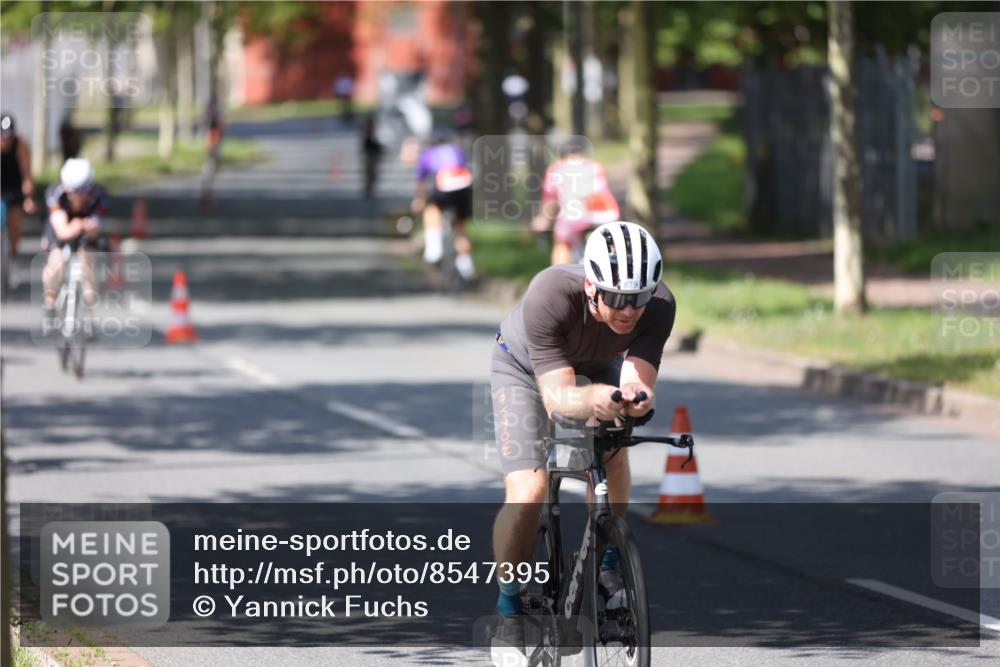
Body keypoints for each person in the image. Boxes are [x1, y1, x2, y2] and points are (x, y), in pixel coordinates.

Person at [488, 221, 675, 665]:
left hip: (596, 364)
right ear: (591, 286)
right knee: (529, 491)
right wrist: (591, 399)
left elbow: (637, 380)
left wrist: (634, 399)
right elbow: (558, 401)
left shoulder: (660, 305)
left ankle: (610, 564)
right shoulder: (550, 293)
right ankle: (509, 607)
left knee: (614, 452)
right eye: (615, 298)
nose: (629, 311)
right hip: (524, 369)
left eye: (639, 299)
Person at [41, 158, 108, 332]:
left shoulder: (99, 194)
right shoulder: (55, 193)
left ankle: (88, 315)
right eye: (74, 192)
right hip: (62, 227)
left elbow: (95, 228)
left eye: (83, 191)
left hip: (84, 231)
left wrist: (88, 227)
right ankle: (50, 303)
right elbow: (62, 230)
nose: (78, 196)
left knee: (88, 264)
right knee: (56, 263)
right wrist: (78, 225)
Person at [531, 138, 620, 266]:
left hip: (574, 219)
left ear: (563, 155)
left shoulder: (556, 169)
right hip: (606, 217)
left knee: (562, 244)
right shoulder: (596, 166)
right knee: (610, 251)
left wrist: (543, 220)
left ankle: (559, 276)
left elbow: (550, 203)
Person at [412, 131, 476, 281]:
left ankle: (433, 248)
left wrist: (419, 200)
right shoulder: (457, 150)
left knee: (431, 208)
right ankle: (466, 262)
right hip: (464, 185)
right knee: (460, 226)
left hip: (444, 184)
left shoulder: (427, 154)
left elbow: (421, 183)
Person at [1, 112, 38, 255]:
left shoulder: (21, 145)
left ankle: (12, 254)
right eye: (3, 136)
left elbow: (27, 175)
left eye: (9, 136)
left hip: (14, 189)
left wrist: (29, 198)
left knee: (16, 225)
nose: (6, 140)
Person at [201, 96, 224, 212]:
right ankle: (207, 198)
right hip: (212, 147)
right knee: (209, 173)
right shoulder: (212, 118)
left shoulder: (210, 116)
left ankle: (207, 197)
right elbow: (214, 134)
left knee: (210, 173)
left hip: (213, 147)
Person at [361, 114, 383, 199]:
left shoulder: (373, 132)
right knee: (369, 172)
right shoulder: (368, 133)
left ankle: (370, 188)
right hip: (370, 155)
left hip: (373, 154)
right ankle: (368, 188)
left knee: (372, 173)